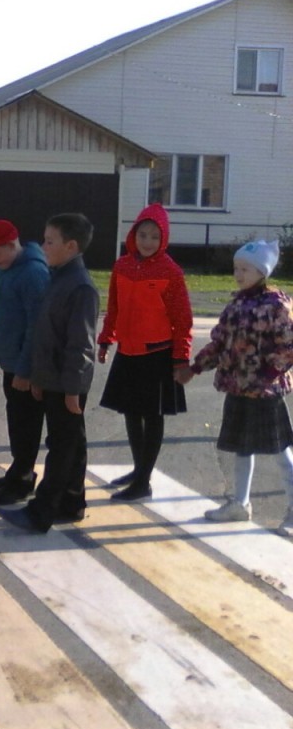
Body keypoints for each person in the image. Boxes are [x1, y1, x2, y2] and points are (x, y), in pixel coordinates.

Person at [177, 240, 293, 535]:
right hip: (239, 388)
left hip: (265, 391)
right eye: (236, 268)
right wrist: (195, 368)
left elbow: (288, 347)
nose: (238, 274)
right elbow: (219, 344)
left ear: (262, 272)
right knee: (243, 448)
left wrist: (269, 372)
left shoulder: (277, 305)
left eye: (245, 269)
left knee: (281, 452)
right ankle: (240, 504)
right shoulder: (236, 304)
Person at [0, 213, 99, 534]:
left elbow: (81, 344)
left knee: (63, 447)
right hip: (53, 379)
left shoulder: (80, 287)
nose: (43, 247)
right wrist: (39, 379)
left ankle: (41, 512)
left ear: (71, 246)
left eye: (50, 241)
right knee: (71, 442)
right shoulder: (57, 278)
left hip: (67, 382)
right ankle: (72, 501)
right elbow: (44, 334)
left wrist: (72, 389)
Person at [97, 203, 192, 501]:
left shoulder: (171, 272)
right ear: (133, 234)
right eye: (142, 235)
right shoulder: (121, 266)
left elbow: (183, 320)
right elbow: (114, 307)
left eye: (154, 236)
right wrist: (106, 339)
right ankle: (140, 470)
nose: (147, 242)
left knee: (152, 416)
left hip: (157, 354)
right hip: (128, 351)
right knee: (130, 412)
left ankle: (143, 482)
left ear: (163, 239)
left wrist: (181, 357)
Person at [0, 218, 50, 505]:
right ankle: (17, 470)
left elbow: (36, 327)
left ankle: (23, 480)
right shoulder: (4, 271)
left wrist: (25, 371)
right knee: (16, 421)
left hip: (25, 368)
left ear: (11, 244)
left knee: (26, 424)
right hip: (10, 363)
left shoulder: (33, 274)